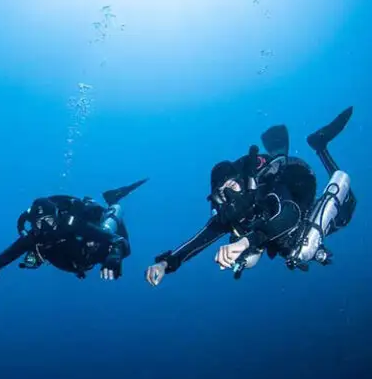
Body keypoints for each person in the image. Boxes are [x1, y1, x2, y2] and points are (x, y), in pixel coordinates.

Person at [145, 106, 356, 286]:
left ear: (243, 182)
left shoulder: (265, 191)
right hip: (277, 238)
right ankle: (315, 147)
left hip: (299, 195)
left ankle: (320, 147)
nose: (229, 193)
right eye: (222, 191)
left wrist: (244, 243)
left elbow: (290, 213)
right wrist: (164, 264)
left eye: (233, 184)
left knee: (347, 210)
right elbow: (196, 242)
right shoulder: (227, 216)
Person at [0, 178, 148, 293]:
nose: (45, 227)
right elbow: (6, 256)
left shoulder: (74, 225)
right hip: (78, 262)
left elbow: (119, 241)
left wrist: (114, 256)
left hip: (92, 250)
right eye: (39, 223)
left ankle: (114, 202)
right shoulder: (36, 237)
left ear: (57, 217)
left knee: (115, 238)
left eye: (48, 220)